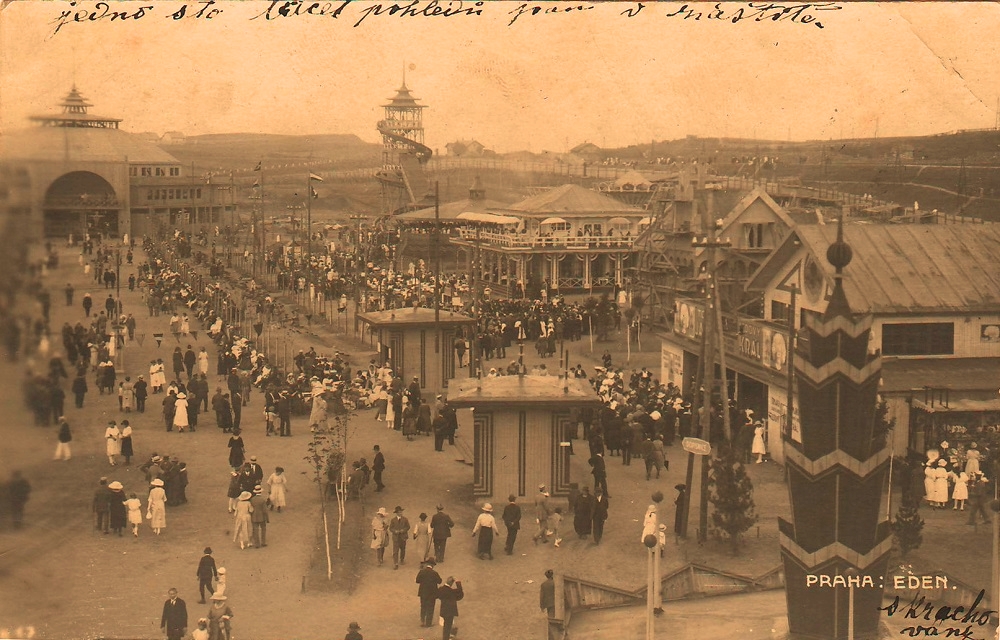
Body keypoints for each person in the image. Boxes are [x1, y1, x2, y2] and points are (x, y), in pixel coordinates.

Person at [415, 559, 442, 627]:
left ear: (427, 564)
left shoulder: (421, 572)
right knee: (430, 607)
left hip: (423, 592)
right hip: (432, 593)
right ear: (432, 565)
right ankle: (428, 623)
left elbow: (417, 580)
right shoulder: (434, 573)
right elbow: (439, 581)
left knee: (423, 606)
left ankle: (422, 621)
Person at [540, 569, 561, 640]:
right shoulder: (554, 583)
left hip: (548, 604)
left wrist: (542, 606)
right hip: (554, 602)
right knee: (552, 619)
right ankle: (552, 637)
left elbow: (541, 596)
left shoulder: (543, 585)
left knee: (550, 617)